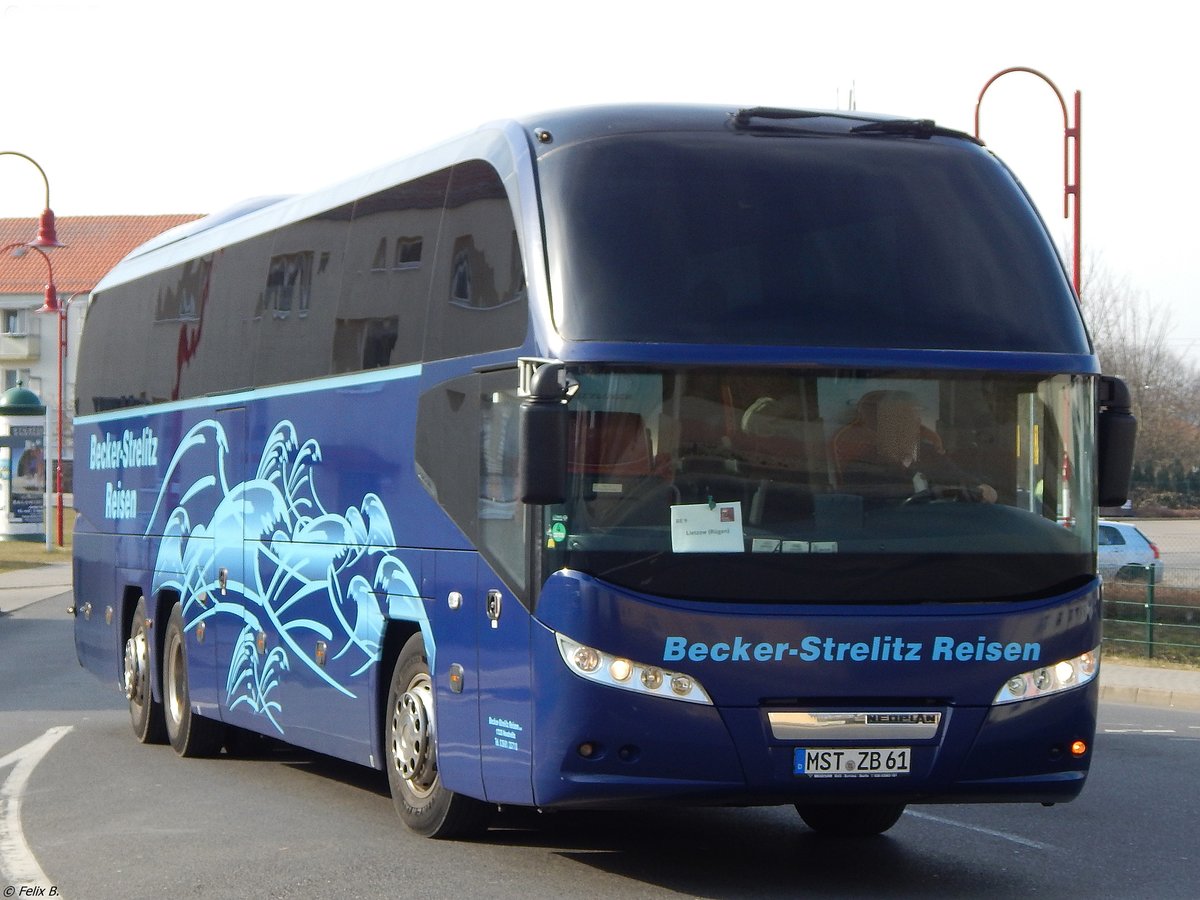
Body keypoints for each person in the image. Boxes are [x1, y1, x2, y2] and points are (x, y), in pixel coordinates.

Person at [838, 391, 997, 505]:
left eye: (910, 421)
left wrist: (984, 488)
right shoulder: (862, 464)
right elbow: (854, 510)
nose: (904, 428)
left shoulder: (930, 454)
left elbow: (962, 480)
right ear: (882, 426)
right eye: (896, 422)